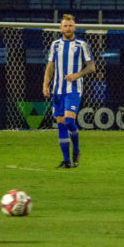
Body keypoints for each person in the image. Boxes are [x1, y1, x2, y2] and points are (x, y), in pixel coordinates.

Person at [42, 14, 95, 169]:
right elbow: (50, 67)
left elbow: (91, 67)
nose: (68, 28)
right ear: (60, 28)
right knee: (61, 125)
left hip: (73, 90)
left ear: (75, 27)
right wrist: (46, 85)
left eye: (70, 25)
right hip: (57, 90)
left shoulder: (81, 45)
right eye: (65, 26)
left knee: (69, 121)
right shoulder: (55, 45)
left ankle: (76, 149)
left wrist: (76, 75)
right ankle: (66, 161)